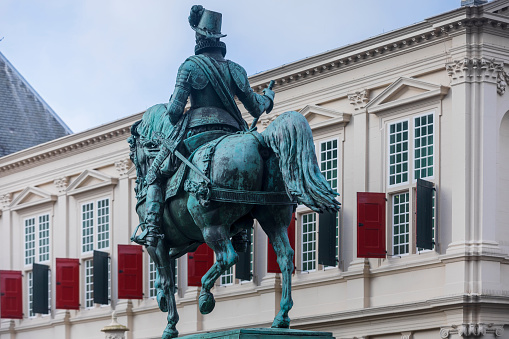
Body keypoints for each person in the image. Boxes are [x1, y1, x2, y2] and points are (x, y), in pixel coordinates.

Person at [138, 5, 275, 249]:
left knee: (155, 174)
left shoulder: (189, 66)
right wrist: (269, 97)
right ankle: (241, 231)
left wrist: (174, 101)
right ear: (219, 39)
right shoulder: (236, 69)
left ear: (199, 37)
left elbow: (173, 113)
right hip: (232, 131)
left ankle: (151, 229)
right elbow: (256, 108)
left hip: (197, 134)